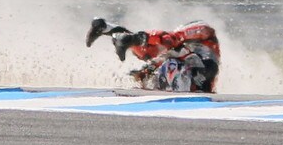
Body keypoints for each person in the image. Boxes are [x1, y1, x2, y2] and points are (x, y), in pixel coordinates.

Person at [86, 18, 220, 93]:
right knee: (167, 45)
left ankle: (105, 27)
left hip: (193, 51)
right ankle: (123, 36)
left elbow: (157, 57)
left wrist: (144, 73)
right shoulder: (196, 56)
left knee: (148, 53)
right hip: (197, 44)